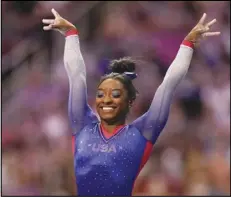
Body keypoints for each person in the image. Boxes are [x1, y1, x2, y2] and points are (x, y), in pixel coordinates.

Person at [42, 9, 220, 196]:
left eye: (115, 94)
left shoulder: (141, 133)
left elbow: (168, 85)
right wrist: (71, 35)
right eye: (101, 94)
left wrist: (188, 44)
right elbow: (76, 76)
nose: (106, 100)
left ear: (129, 102)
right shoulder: (82, 125)